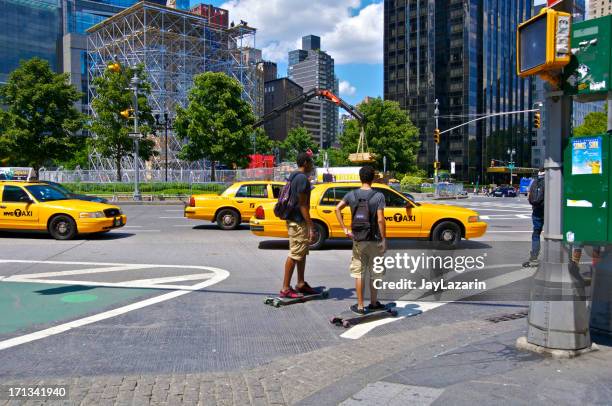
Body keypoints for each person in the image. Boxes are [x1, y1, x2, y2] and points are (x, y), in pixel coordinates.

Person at [335, 166, 387, 314]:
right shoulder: (379, 196)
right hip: (375, 239)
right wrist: (384, 239)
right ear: (373, 178)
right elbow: (381, 220)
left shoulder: (351, 195)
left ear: (360, 177)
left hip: (358, 239)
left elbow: (337, 208)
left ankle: (360, 306)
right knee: (375, 272)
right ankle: (374, 302)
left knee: (359, 272)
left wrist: (345, 229)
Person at [280, 152, 318, 298]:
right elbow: (303, 205)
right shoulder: (302, 178)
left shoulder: (294, 175)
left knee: (301, 252)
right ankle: (285, 288)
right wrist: (311, 227)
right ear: (305, 163)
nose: (312, 165)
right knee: (295, 254)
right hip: (298, 222)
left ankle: (301, 283)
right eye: (311, 162)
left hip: (294, 220)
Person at [523, 168, 545, 267]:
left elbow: (528, 196)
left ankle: (534, 257)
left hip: (536, 210)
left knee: (536, 233)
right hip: (550, 212)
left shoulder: (533, 181)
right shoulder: (551, 180)